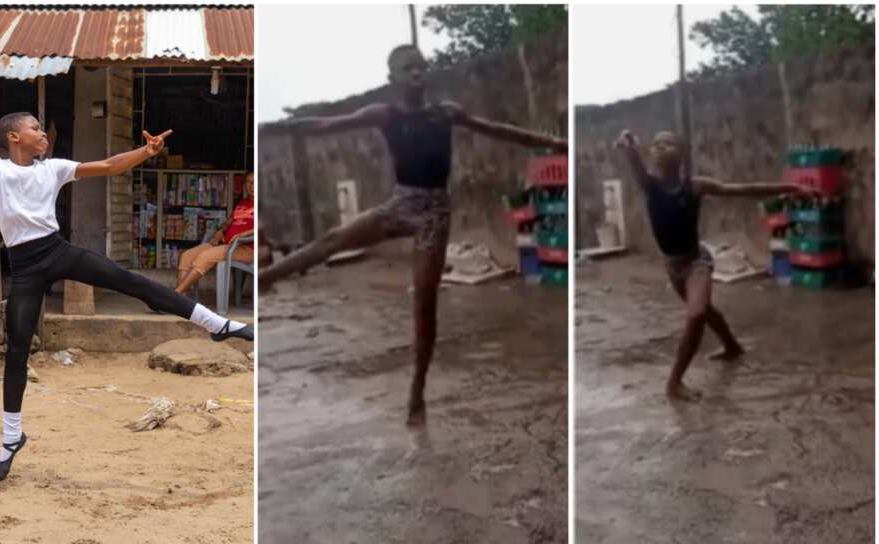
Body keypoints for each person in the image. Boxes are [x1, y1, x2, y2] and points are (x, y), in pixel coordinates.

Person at [0, 113, 253, 482]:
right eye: (35, 128)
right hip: (25, 269)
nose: (42, 133)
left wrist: (145, 152)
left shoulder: (53, 169)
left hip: (58, 251)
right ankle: (11, 436)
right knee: (17, 351)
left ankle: (217, 325)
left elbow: (109, 166)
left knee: (132, 283)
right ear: (15, 137)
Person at [259, 44, 567, 427]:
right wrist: (275, 126)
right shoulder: (383, 114)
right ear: (394, 78)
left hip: (435, 214)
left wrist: (550, 143)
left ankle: (417, 390)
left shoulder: (445, 112)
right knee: (332, 240)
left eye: (421, 66)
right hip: (402, 203)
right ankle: (265, 279)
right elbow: (325, 125)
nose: (418, 72)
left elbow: (496, 129)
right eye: (409, 68)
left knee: (424, 305)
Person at [614, 129, 817, 401]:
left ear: (681, 154)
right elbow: (633, 161)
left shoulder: (695, 186)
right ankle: (732, 346)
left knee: (696, 314)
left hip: (697, 261)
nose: (662, 147)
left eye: (669, 143)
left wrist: (791, 188)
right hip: (672, 267)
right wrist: (628, 146)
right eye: (657, 144)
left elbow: (744, 190)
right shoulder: (650, 185)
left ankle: (674, 382)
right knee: (706, 311)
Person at [174, 172, 254, 296]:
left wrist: (242, 235)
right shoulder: (243, 203)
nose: (252, 186)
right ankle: (181, 300)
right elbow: (229, 222)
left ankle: (175, 296)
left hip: (247, 248)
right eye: (249, 182)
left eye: (255, 183)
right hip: (225, 245)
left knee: (205, 256)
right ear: (245, 185)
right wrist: (220, 231)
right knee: (186, 256)